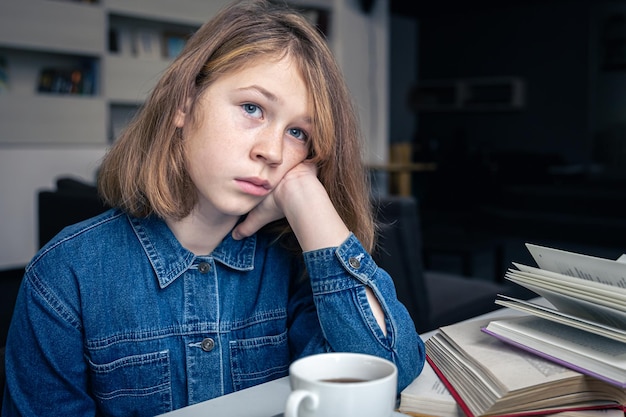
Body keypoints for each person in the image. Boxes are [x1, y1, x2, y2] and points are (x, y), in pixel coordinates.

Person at [2, 0, 425, 415]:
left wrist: (307, 197)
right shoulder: (64, 275)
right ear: (184, 104)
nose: (273, 151)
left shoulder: (294, 262)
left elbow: (390, 369)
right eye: (252, 108)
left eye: (297, 132)